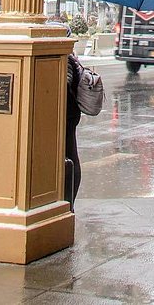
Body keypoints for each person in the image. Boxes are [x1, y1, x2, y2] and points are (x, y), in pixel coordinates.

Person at [65, 49, 82, 206]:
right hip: (69, 114)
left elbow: (65, 83)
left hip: (67, 115)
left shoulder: (66, 60)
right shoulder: (70, 58)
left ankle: (69, 204)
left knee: (70, 157)